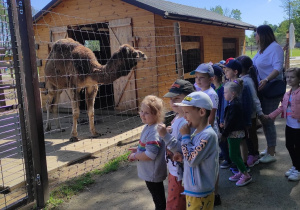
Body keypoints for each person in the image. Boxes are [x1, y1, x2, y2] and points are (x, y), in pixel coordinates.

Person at [162, 91, 218, 210]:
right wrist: (183, 159)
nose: (185, 116)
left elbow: (192, 159)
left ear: (201, 112)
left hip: (200, 192)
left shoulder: (207, 136)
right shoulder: (197, 133)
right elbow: (194, 157)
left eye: (187, 112)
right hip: (193, 190)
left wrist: (186, 136)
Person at [157, 79, 195, 210]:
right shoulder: (177, 116)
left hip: (181, 173)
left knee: (175, 206)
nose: (172, 102)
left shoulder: (187, 122)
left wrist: (165, 135)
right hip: (174, 170)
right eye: (171, 98)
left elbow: (182, 149)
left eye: (177, 98)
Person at [128, 95, 167, 210]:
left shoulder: (154, 131)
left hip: (152, 173)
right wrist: (138, 149)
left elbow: (150, 154)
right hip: (150, 172)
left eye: (147, 113)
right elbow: (148, 147)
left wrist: (135, 155)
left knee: (158, 199)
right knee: (157, 197)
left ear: (157, 114)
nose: (142, 115)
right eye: (142, 111)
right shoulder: (148, 126)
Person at [252, 25, 284, 163]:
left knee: (268, 121)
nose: (255, 37)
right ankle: (269, 148)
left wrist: (266, 79)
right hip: (262, 89)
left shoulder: (275, 48)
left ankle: (271, 153)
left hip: (271, 89)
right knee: (265, 122)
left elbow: (278, 68)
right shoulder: (261, 50)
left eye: (256, 34)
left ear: (263, 35)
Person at [190, 63, 221, 205]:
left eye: (201, 78)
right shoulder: (198, 90)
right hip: (198, 131)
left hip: (208, 132)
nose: (198, 80)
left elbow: (211, 118)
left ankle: (215, 193)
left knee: (212, 163)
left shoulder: (211, 94)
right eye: (196, 77)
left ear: (211, 79)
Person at [265, 68, 300, 181]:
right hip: (290, 125)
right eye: (287, 77)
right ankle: (295, 165)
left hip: (298, 127)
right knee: (289, 146)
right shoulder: (287, 94)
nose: (289, 79)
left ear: (299, 78)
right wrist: (270, 116)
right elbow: (282, 107)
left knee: (298, 148)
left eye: (292, 77)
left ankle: (298, 169)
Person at [223, 60, 252, 174]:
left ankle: (244, 167)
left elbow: (248, 104)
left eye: (227, 70)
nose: (225, 72)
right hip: (232, 126)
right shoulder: (229, 86)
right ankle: (241, 169)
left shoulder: (242, 86)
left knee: (238, 147)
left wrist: (247, 122)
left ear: (235, 72)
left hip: (237, 126)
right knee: (234, 151)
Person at [237, 55, 264, 167]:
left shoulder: (247, 81)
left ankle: (254, 155)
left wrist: (260, 113)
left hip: (250, 114)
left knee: (251, 135)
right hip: (245, 114)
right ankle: (251, 154)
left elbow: (254, 98)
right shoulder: (242, 79)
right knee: (248, 135)